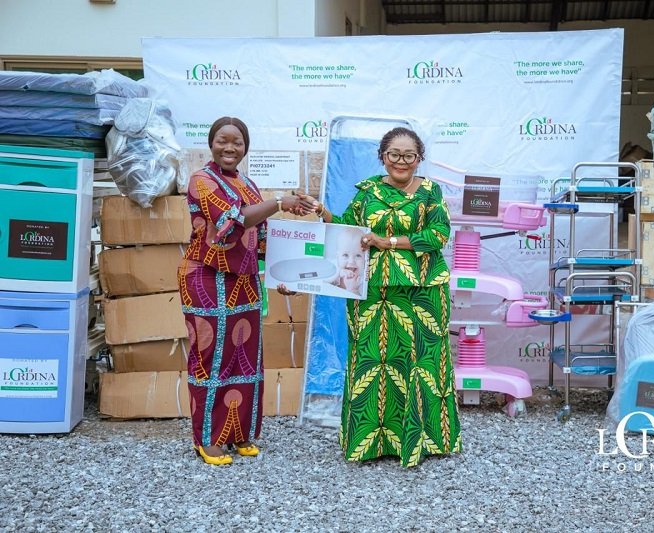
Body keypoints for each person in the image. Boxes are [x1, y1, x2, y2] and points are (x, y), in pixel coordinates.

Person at [313, 126, 462, 467]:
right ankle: (371, 442)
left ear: (419, 159)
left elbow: (437, 235)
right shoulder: (366, 192)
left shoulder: (430, 193)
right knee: (373, 363)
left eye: (409, 156)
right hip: (372, 292)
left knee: (420, 365)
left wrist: (387, 242)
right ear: (382, 157)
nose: (401, 162)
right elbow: (347, 230)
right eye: (394, 154)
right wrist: (323, 213)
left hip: (422, 291)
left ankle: (423, 440)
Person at [177, 116, 315, 465]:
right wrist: (279, 202)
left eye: (237, 142)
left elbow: (262, 237)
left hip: (245, 281)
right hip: (208, 279)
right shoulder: (201, 181)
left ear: (245, 148)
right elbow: (231, 221)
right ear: (211, 143)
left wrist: (286, 276)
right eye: (223, 140)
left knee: (244, 357)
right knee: (211, 358)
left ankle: (237, 434)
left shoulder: (248, 184)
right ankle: (207, 438)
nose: (230, 147)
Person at [328, 227, 366, 297]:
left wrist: (354, 289)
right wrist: (337, 273)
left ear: (365, 258)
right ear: (338, 257)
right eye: (345, 255)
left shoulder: (362, 279)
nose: (351, 261)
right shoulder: (333, 267)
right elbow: (322, 281)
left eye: (358, 255)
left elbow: (359, 300)